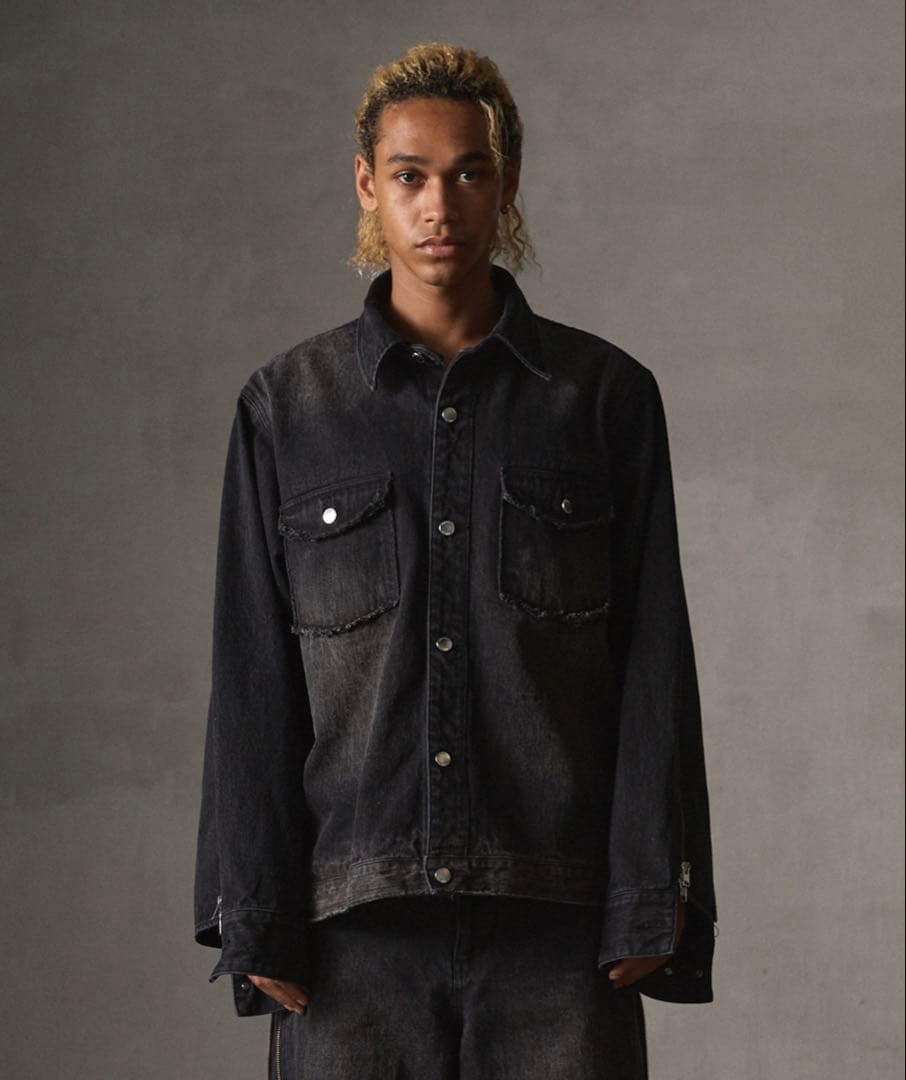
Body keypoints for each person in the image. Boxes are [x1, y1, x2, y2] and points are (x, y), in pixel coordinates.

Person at [194, 41, 718, 1080]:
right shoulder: (287, 411)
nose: (440, 204)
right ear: (367, 185)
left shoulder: (604, 400)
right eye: (410, 175)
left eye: (468, 172)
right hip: (350, 939)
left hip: (557, 926)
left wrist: (651, 896)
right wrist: (255, 913)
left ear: (506, 182)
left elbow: (653, 664)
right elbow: (253, 676)